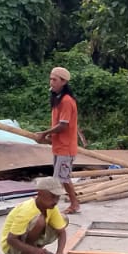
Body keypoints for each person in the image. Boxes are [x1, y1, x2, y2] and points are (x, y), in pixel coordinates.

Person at [35, 65, 82, 214]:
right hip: (59, 145)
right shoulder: (57, 99)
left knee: (62, 178)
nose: (51, 82)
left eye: (54, 80)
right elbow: (58, 126)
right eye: (50, 79)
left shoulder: (66, 101)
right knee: (62, 177)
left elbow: (63, 125)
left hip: (66, 147)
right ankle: (71, 203)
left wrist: (44, 133)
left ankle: (71, 204)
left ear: (63, 82)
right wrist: (49, 136)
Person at [1, 176, 69, 254]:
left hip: (26, 244)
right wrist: (33, 251)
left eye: (58, 197)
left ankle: (36, 251)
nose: (56, 201)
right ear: (40, 193)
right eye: (52, 196)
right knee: (40, 220)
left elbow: (62, 232)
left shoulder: (51, 207)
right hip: (13, 250)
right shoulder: (27, 209)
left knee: (64, 219)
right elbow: (11, 240)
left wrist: (59, 252)